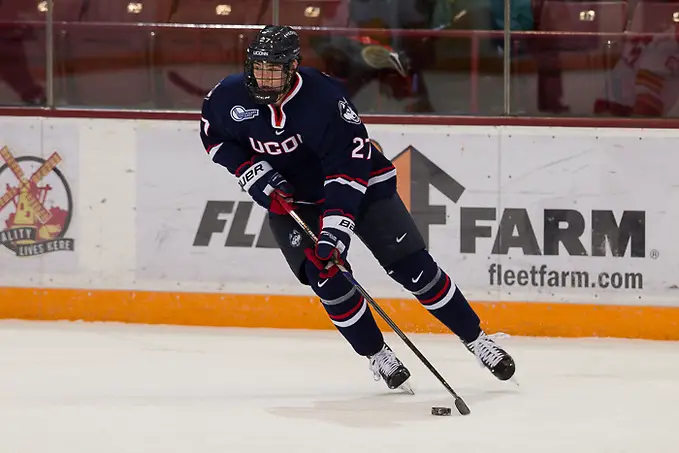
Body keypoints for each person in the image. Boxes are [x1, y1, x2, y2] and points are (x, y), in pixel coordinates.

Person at [199, 25, 516, 392]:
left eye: (275, 69)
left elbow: (346, 170)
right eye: (258, 67)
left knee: (414, 268)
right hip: (293, 201)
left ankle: (477, 340)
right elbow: (214, 137)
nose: (264, 77)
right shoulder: (226, 96)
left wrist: (335, 231)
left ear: (293, 67)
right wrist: (252, 173)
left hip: (361, 187)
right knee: (328, 280)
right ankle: (378, 354)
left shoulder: (324, 98)